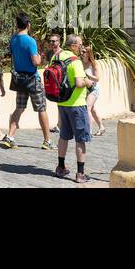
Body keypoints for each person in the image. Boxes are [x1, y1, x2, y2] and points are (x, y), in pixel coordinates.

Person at [54, 34, 98, 183]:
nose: (82, 47)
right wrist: (89, 83)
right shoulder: (75, 60)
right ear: (73, 46)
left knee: (64, 136)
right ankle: (80, 174)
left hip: (62, 103)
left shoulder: (56, 57)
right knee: (81, 139)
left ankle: (60, 167)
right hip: (76, 104)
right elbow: (79, 82)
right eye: (80, 45)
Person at [3, 14, 52, 150]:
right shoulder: (30, 41)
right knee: (41, 108)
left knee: (19, 107)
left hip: (20, 79)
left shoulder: (13, 39)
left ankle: (10, 137)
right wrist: (40, 57)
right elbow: (35, 62)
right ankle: (47, 141)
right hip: (32, 78)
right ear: (28, 24)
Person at [81, 43, 105, 135]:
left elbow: (97, 78)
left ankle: (88, 131)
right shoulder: (80, 62)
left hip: (94, 89)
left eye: (84, 51)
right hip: (86, 89)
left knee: (87, 108)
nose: (82, 53)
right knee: (92, 109)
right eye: (81, 51)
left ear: (88, 53)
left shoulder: (93, 64)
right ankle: (101, 127)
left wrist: (87, 75)